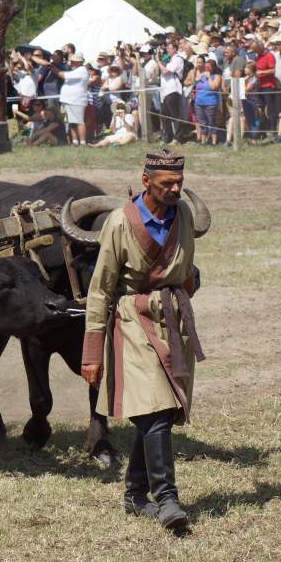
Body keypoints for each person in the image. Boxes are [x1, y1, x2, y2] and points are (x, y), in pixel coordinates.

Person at [81, 150, 205, 535]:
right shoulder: (120, 223)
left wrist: (188, 283)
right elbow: (100, 289)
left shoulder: (182, 214)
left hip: (173, 320)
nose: (176, 189)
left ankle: (135, 495)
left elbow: (187, 268)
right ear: (146, 179)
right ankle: (167, 499)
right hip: (133, 320)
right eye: (168, 183)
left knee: (160, 413)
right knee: (154, 411)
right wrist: (92, 353)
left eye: (180, 183)